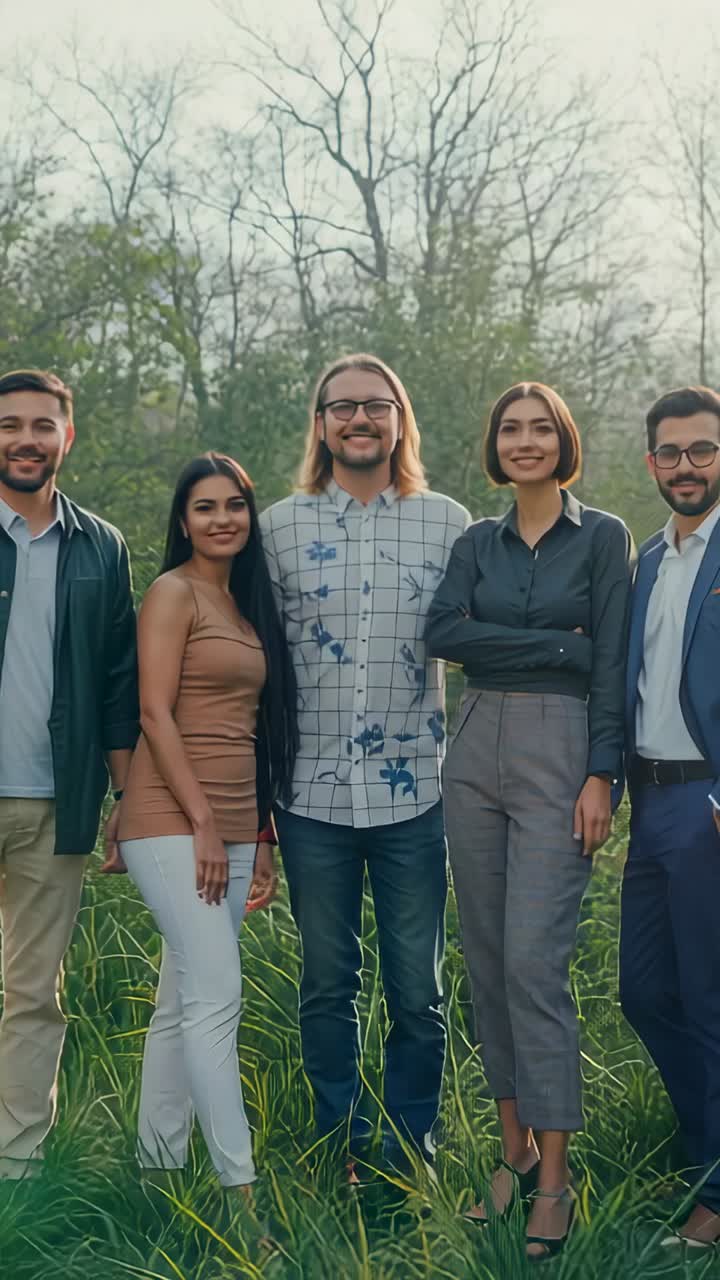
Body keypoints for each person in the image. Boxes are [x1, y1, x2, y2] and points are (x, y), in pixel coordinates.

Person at [425, 381, 633, 1259]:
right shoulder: (477, 540)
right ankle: (509, 1156)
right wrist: (562, 645)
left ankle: (555, 1175)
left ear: (564, 441)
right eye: (510, 429)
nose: (523, 440)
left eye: (539, 427)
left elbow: (612, 660)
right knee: (485, 956)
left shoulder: (605, 537)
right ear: (495, 446)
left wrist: (602, 776)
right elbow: (444, 633)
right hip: (475, 745)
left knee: (534, 964)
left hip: (561, 746)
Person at [258, 353, 470, 1176]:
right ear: (320, 424)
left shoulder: (450, 523)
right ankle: (339, 1142)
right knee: (327, 983)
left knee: (418, 989)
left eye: (375, 406)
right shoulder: (276, 527)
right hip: (308, 795)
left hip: (416, 793)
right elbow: (254, 666)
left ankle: (409, 1144)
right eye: (341, 407)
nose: (359, 420)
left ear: (399, 419)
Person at [108, 453, 297, 1193]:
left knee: (180, 1000)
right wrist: (205, 825)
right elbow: (155, 712)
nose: (222, 520)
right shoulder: (172, 593)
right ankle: (238, 1194)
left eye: (235, 506)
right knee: (217, 997)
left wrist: (259, 835)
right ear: (182, 521)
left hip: (237, 821)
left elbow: (249, 728)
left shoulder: (246, 606)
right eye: (205, 507)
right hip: (170, 820)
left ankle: (157, 1172)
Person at [0, 368, 139, 1181]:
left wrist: (127, 796)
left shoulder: (103, 546)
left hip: (58, 805)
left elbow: (119, 682)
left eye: (41, 424)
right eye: (10, 423)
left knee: (32, 996)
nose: (25, 438)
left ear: (67, 437)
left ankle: (17, 1167)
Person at [619, 386, 720, 1250]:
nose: (686, 466)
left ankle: (717, 1196)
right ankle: (707, 1152)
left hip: (711, 802)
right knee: (647, 992)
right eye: (672, 453)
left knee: (713, 998)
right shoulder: (647, 560)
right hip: (649, 802)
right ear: (651, 461)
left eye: (703, 450)